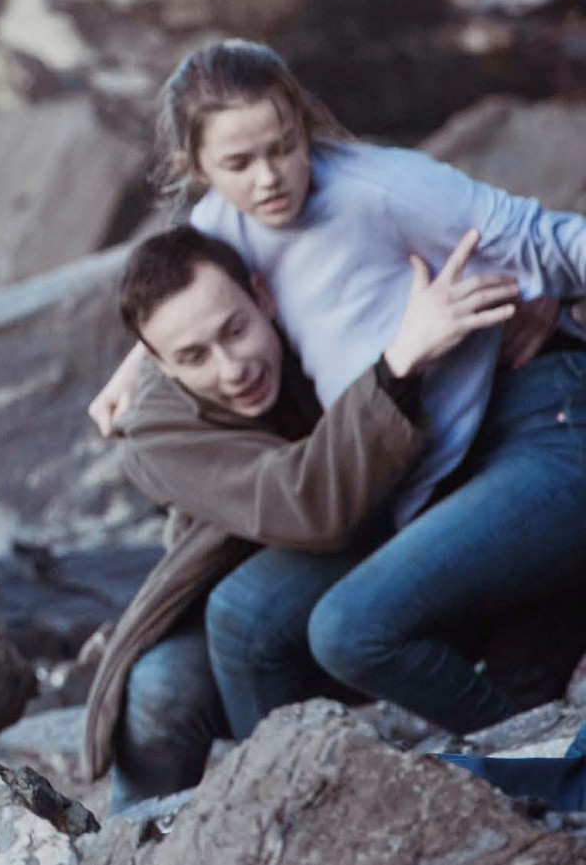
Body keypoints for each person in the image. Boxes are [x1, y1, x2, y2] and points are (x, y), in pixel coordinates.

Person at [87, 39, 586, 751]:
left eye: (283, 147)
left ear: (304, 124)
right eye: (238, 163)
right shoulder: (222, 224)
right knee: (246, 618)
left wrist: (549, 289)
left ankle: (533, 761)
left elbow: (551, 239)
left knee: (351, 628)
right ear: (197, 168)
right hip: (437, 470)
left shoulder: (381, 188)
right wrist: (133, 367)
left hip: (545, 416)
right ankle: (292, 790)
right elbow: (185, 299)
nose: (268, 178)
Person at [85, 224, 511, 805]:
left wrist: (536, 296)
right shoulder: (156, 434)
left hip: (405, 523)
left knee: (249, 614)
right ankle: (159, 832)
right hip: (294, 557)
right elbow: (307, 506)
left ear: (263, 296)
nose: (232, 368)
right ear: (159, 366)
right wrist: (397, 366)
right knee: (163, 683)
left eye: (235, 331)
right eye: (193, 357)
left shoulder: (304, 301)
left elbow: (242, 210)